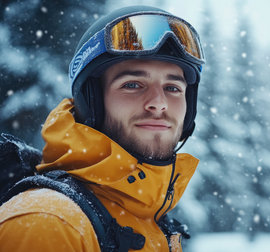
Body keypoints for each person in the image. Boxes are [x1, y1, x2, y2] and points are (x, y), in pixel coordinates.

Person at [0, 5, 205, 252]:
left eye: (173, 88)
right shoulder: (48, 223)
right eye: (132, 84)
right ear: (91, 103)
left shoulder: (152, 219)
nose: (159, 103)